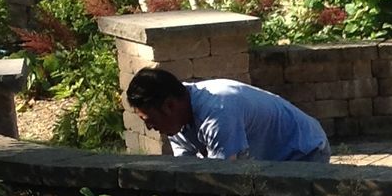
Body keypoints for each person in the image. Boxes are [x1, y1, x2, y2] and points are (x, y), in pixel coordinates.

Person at [125, 66, 330, 162]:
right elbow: (187, 168)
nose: (150, 127)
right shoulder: (176, 117)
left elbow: (223, 176)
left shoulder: (218, 112)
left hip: (304, 151)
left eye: (149, 120)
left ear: (169, 106)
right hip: (268, 157)